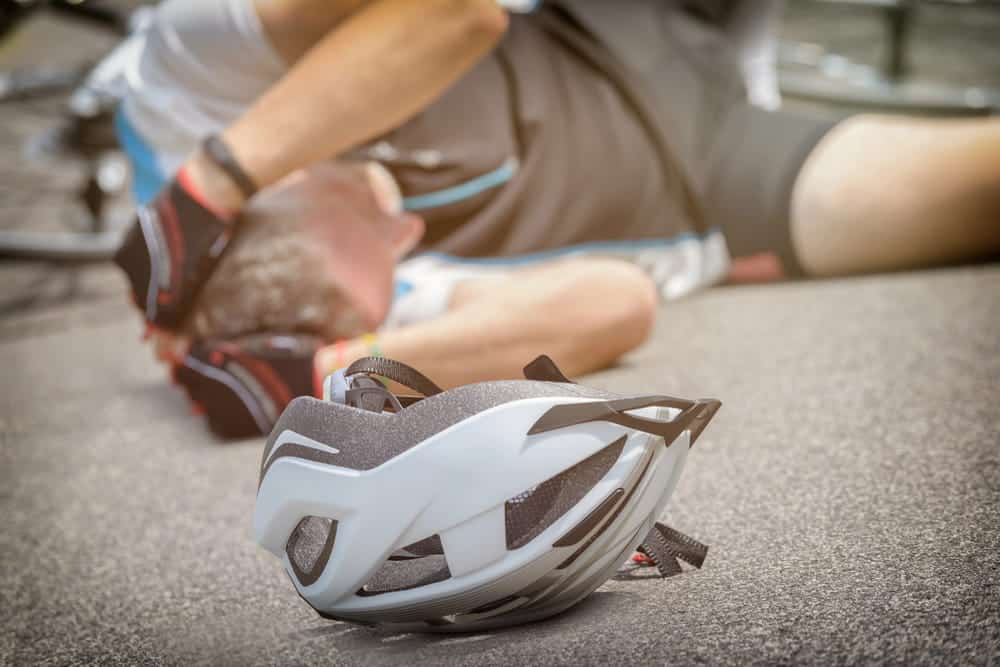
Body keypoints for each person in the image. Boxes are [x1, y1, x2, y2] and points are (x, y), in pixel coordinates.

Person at [110, 0, 1000, 437]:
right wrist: (328, 373)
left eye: (373, 219)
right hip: (723, 174)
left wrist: (212, 183)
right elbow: (615, 304)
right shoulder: (377, 296)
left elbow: (460, 11)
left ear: (284, 185)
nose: (411, 233)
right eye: (395, 254)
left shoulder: (181, 81)